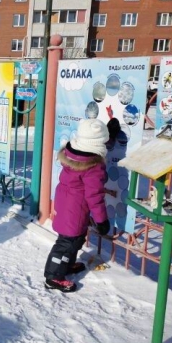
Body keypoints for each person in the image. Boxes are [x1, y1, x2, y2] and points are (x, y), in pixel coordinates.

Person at [43, 118, 120, 293]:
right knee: (66, 243)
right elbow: (94, 195)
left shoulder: (74, 152)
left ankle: (66, 265)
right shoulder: (93, 166)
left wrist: (108, 134)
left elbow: (93, 147)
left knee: (75, 239)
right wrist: (101, 220)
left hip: (66, 201)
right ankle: (53, 277)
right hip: (75, 209)